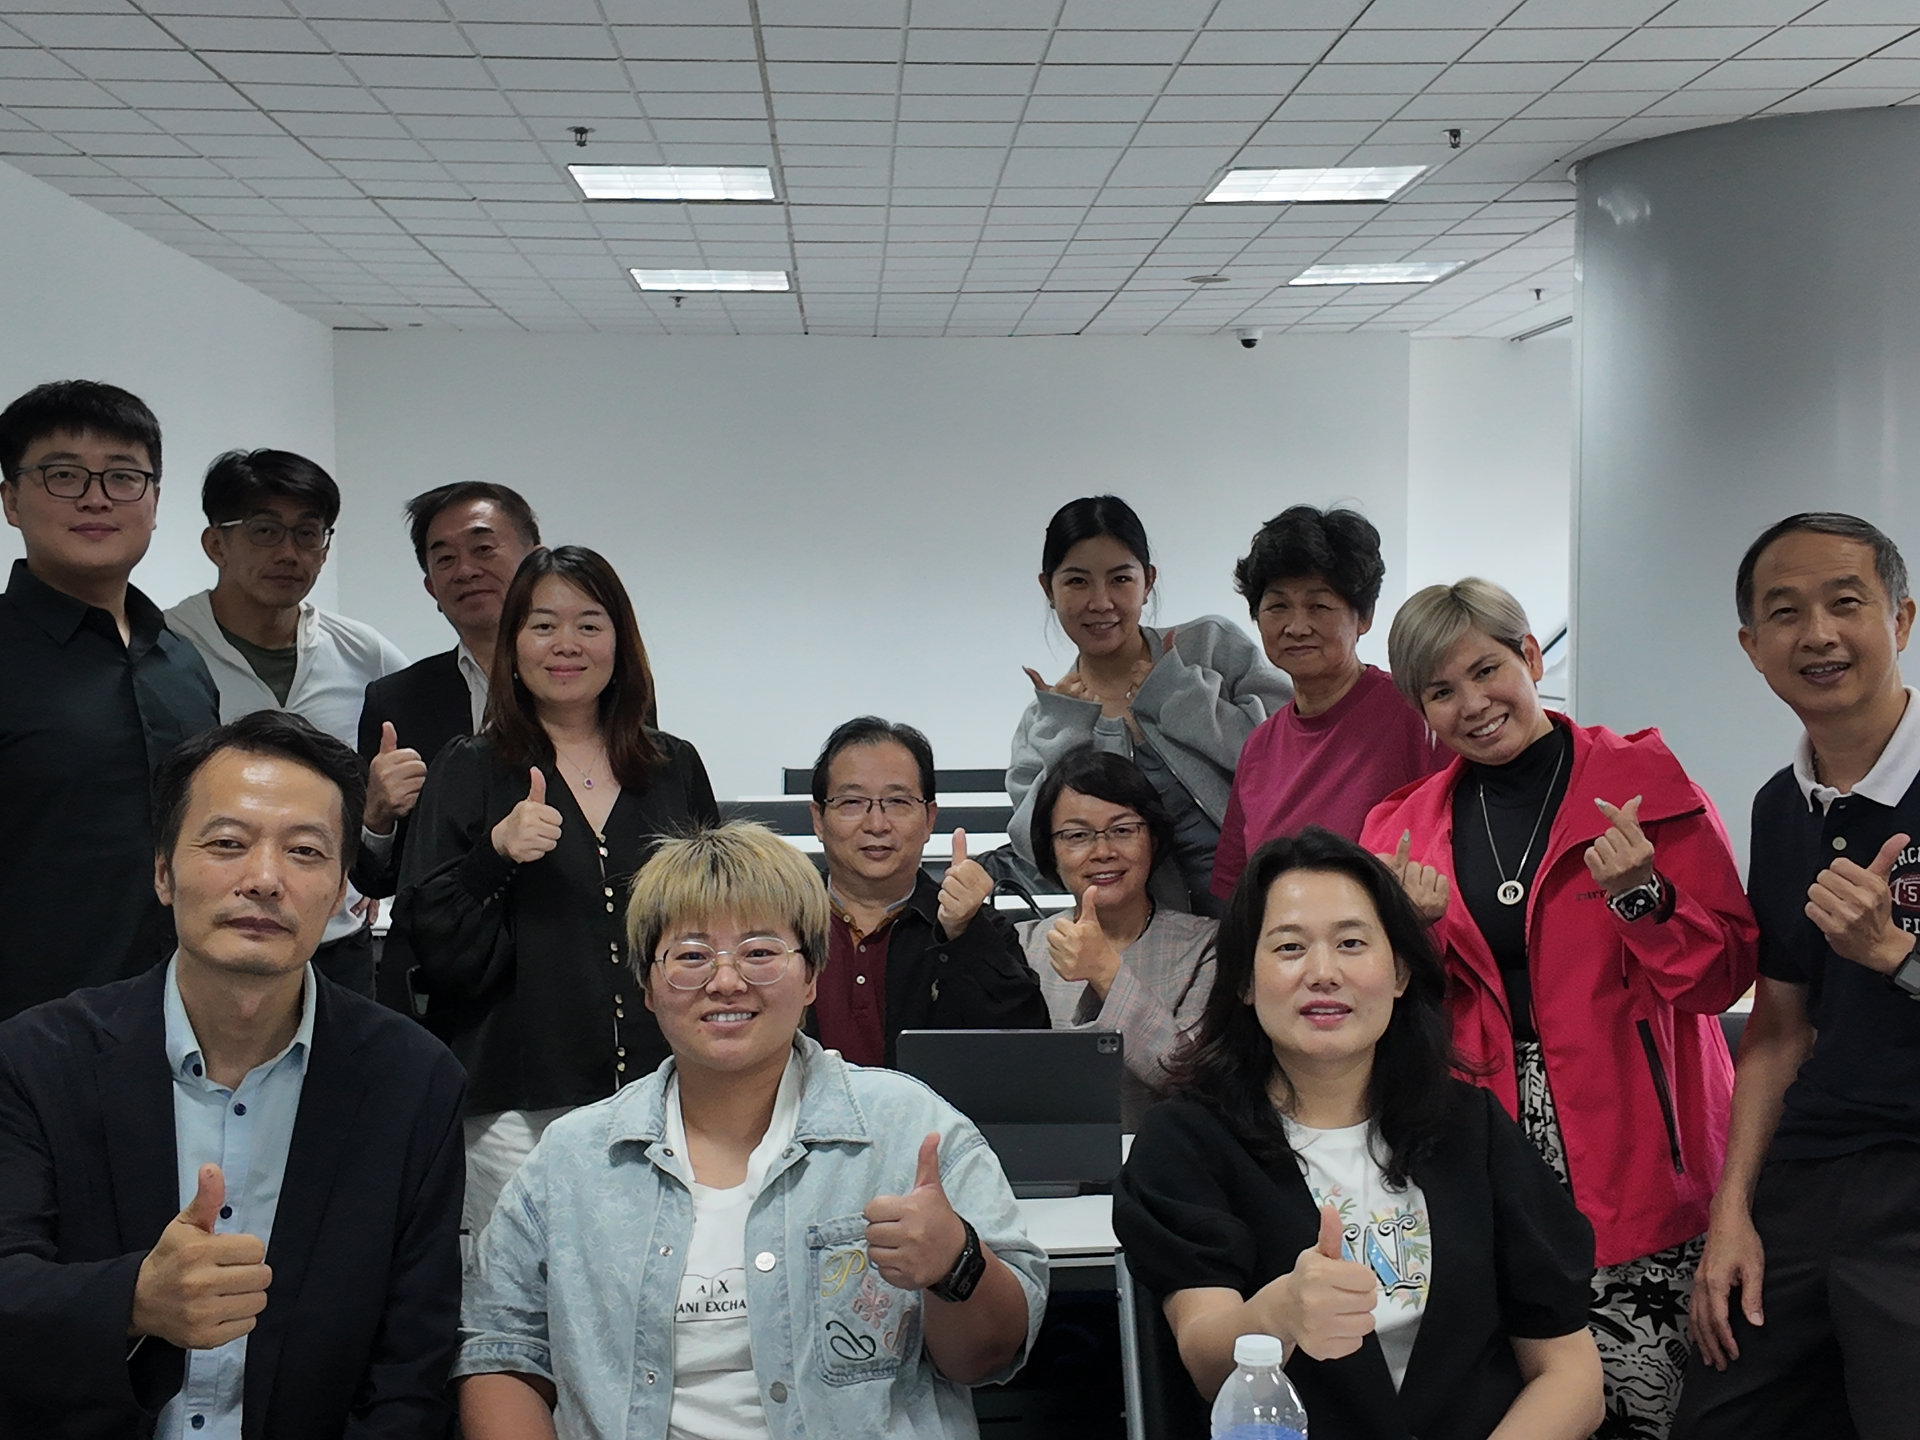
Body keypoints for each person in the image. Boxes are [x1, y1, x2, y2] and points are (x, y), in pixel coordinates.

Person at [455, 821, 1049, 1440]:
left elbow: (990, 1357)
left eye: (760, 952)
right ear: (647, 987)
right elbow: (502, 1351)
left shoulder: (908, 1128)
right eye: (690, 956)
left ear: (812, 976)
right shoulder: (573, 1160)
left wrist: (955, 1264)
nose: (726, 981)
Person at [1360, 578, 1758, 1439]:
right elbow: (1377, 1014)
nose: (1473, 703)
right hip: (1484, 1147)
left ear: (1532, 657)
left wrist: (1643, 897)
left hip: (1646, 1145)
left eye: (1487, 669)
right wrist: (1410, 936)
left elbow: (1723, 976)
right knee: (1521, 1403)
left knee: (1663, 1409)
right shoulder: (1398, 831)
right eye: (1440, 690)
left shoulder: (1646, 784)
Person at [0, 710, 466, 1439]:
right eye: (227, 843)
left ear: (345, 890)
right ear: (162, 871)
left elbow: (413, 1368)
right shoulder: (35, 1060)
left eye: (306, 852)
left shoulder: (413, 1082)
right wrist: (135, 1299)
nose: (265, 880)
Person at [1114, 828, 1602, 1440]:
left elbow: (1570, 1374)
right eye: (1289, 947)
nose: (1323, 973)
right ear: (1243, 981)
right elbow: (1208, 1361)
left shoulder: (1470, 1128)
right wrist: (1280, 1313)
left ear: (1399, 972)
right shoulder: (1187, 1141)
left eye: (1351, 943)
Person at [1673, 514, 1920, 1440]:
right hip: (1807, 1180)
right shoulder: (1782, 807)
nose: (1816, 633)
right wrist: (1731, 1215)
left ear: (1900, 619)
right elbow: (1778, 1028)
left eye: (1844, 602)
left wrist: (1896, 956)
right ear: (1753, 648)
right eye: (1785, 613)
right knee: (1721, 1416)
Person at [389, 544, 719, 1237]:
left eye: (589, 624)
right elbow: (431, 946)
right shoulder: (471, 768)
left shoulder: (672, 767)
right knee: (524, 1307)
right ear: (511, 646)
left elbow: (715, 921)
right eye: (542, 626)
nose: (566, 644)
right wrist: (494, 857)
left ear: (620, 644)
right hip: (518, 1107)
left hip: (664, 1093)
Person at [0, 379, 220, 1022]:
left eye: (124, 477)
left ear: (153, 502)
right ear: (11, 498)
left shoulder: (180, 661)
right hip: (29, 1033)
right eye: (63, 475)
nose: (96, 498)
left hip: (186, 1026)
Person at [165, 448, 409, 997]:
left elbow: (417, 766)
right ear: (215, 543)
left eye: (308, 534)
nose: (289, 553)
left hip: (334, 942)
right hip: (209, 942)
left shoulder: (361, 652)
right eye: (265, 531)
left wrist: (373, 862)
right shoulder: (166, 647)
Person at [1009, 494, 1292, 915]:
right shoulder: (1047, 719)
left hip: (1270, 905)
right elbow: (1037, 848)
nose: (1101, 602)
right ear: (1048, 589)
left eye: (1120, 579)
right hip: (1155, 948)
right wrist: (1068, 735)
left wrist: (1182, 696)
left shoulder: (1210, 647)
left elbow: (1285, 757)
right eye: (1077, 581)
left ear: (1149, 580)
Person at [1212, 504, 1444, 898]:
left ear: (1364, 616)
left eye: (1319, 606)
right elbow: (1237, 889)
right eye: (1277, 606)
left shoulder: (1416, 716)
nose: (1296, 626)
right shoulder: (1259, 747)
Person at [807, 716, 1049, 1068]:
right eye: (852, 802)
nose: (877, 824)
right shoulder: (776, 923)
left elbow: (1027, 1054)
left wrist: (964, 936)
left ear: (930, 819)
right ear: (818, 820)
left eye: (898, 802)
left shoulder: (978, 928)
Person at [353, 481, 543, 909]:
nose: (465, 570)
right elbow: (373, 878)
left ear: (535, 562)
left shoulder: (590, 685)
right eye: (445, 559)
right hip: (446, 957)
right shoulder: (395, 700)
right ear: (432, 589)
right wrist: (377, 816)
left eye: (483, 549)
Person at [1015, 745, 1215, 1126]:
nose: (1103, 851)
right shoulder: (1021, 947)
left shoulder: (1207, 945)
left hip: (1171, 1168)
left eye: (1122, 830)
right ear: (1051, 850)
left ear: (1153, 839)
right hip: (1048, 1177)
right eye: (1077, 835)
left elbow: (1197, 1082)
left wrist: (1107, 973)